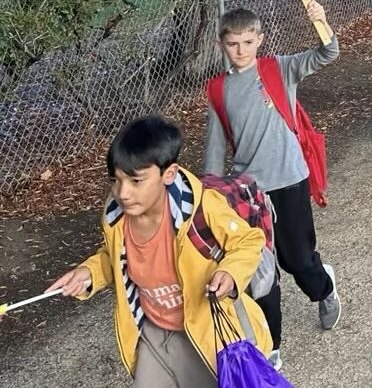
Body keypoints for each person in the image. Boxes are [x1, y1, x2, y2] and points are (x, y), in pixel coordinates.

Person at [47, 116, 273, 387]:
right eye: (116, 180)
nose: (123, 193)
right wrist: (89, 273)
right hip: (154, 335)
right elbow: (115, 257)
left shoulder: (201, 208)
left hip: (204, 331)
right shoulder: (117, 221)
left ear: (169, 174)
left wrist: (229, 272)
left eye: (136, 180)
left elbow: (248, 241)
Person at [204, 3, 342, 368]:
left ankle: (323, 288)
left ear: (260, 40)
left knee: (297, 259)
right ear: (222, 44)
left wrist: (320, 20)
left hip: (290, 179)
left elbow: (329, 52)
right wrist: (211, 193)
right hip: (248, 192)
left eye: (248, 41)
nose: (241, 50)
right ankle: (270, 345)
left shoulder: (279, 69)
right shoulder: (219, 90)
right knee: (260, 272)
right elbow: (215, 148)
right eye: (233, 43)